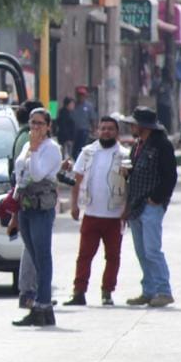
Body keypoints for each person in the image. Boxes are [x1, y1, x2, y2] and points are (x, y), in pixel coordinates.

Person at [63, 116, 129, 306]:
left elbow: (129, 185)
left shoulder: (124, 155)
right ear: (97, 131)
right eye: (103, 128)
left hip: (114, 216)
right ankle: (79, 292)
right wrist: (74, 205)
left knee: (113, 257)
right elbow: (77, 180)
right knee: (84, 256)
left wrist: (127, 210)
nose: (106, 132)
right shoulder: (88, 152)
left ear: (116, 132)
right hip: (91, 214)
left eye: (110, 129)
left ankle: (107, 292)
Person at [120, 106, 177, 308]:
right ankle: (149, 290)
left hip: (151, 204)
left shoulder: (162, 145)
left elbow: (170, 176)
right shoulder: (137, 145)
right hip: (135, 204)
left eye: (134, 124)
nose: (132, 127)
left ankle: (164, 290)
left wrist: (158, 198)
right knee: (141, 251)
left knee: (152, 250)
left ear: (143, 126)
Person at [11, 108, 62, 327]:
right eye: (32, 123)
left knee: (42, 255)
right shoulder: (26, 146)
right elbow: (20, 173)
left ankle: (43, 304)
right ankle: (41, 307)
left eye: (40, 123)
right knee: (33, 254)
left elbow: (38, 174)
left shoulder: (51, 149)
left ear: (48, 126)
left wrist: (33, 149)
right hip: (25, 205)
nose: (35, 128)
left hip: (41, 206)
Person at [11, 100, 43, 309]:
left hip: (30, 199)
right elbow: (28, 173)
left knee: (33, 248)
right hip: (31, 199)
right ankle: (29, 292)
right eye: (37, 122)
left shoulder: (24, 136)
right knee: (33, 248)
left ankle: (34, 292)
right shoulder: (27, 139)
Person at [72, 86, 97, 158]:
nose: (81, 97)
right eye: (79, 95)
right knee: (74, 150)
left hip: (84, 130)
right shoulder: (73, 105)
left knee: (82, 148)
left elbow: (92, 118)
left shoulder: (88, 106)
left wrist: (94, 129)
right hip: (74, 131)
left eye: (82, 95)